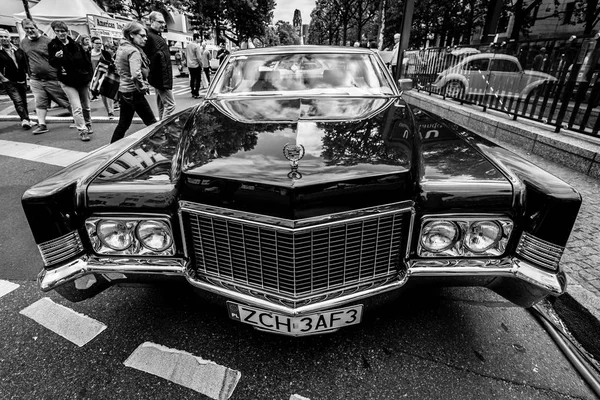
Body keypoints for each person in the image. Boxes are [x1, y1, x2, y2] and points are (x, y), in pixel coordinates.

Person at [20, 19, 73, 135]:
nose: (30, 30)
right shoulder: (23, 43)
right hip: (36, 79)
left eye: (32, 28)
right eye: (27, 29)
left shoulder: (48, 41)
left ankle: (78, 118)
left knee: (64, 99)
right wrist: (28, 75)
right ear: (23, 29)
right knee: (40, 102)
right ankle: (42, 125)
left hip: (52, 77)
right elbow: (25, 59)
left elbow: (58, 58)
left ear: (36, 27)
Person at [110, 21, 157, 143]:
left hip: (124, 91)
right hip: (134, 92)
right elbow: (135, 75)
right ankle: (163, 148)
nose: (145, 39)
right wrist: (142, 87)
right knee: (152, 123)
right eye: (142, 36)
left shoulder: (122, 47)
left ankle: (111, 147)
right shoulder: (134, 51)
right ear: (132, 35)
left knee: (123, 124)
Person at [48, 21, 94, 141]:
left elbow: (86, 61)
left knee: (86, 106)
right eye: (57, 31)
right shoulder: (53, 45)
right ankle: (82, 130)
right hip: (67, 81)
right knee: (77, 107)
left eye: (62, 31)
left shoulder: (75, 44)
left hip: (82, 79)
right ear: (54, 32)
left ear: (67, 31)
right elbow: (52, 63)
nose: (60, 33)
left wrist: (90, 76)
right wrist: (56, 58)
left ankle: (88, 124)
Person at [143, 11, 175, 120]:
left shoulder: (154, 36)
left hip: (159, 77)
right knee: (170, 105)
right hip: (161, 77)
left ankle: (161, 130)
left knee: (162, 105)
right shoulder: (150, 37)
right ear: (151, 21)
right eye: (160, 22)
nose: (163, 25)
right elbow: (149, 58)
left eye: (164, 22)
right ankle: (163, 129)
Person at [0, 28, 33, 130]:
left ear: (10, 37)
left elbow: (25, 64)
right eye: (1, 37)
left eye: (5, 36)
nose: (3, 38)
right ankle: (24, 120)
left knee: (23, 100)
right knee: (17, 100)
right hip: (9, 81)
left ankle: (27, 119)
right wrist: (2, 78)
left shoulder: (18, 50)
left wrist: (28, 76)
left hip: (21, 79)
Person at [89, 36, 115, 118]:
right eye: (97, 43)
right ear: (92, 44)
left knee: (108, 93)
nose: (99, 45)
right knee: (103, 95)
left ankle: (111, 111)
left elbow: (111, 63)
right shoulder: (88, 54)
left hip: (105, 75)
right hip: (95, 77)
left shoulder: (105, 53)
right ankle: (108, 110)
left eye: (100, 43)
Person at [185, 33, 202, 98]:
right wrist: (201, 65)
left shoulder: (188, 45)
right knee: (198, 79)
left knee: (192, 78)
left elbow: (186, 55)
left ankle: (192, 91)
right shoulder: (196, 46)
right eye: (199, 38)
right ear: (196, 38)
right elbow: (199, 57)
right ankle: (196, 92)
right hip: (196, 64)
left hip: (189, 64)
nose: (200, 39)